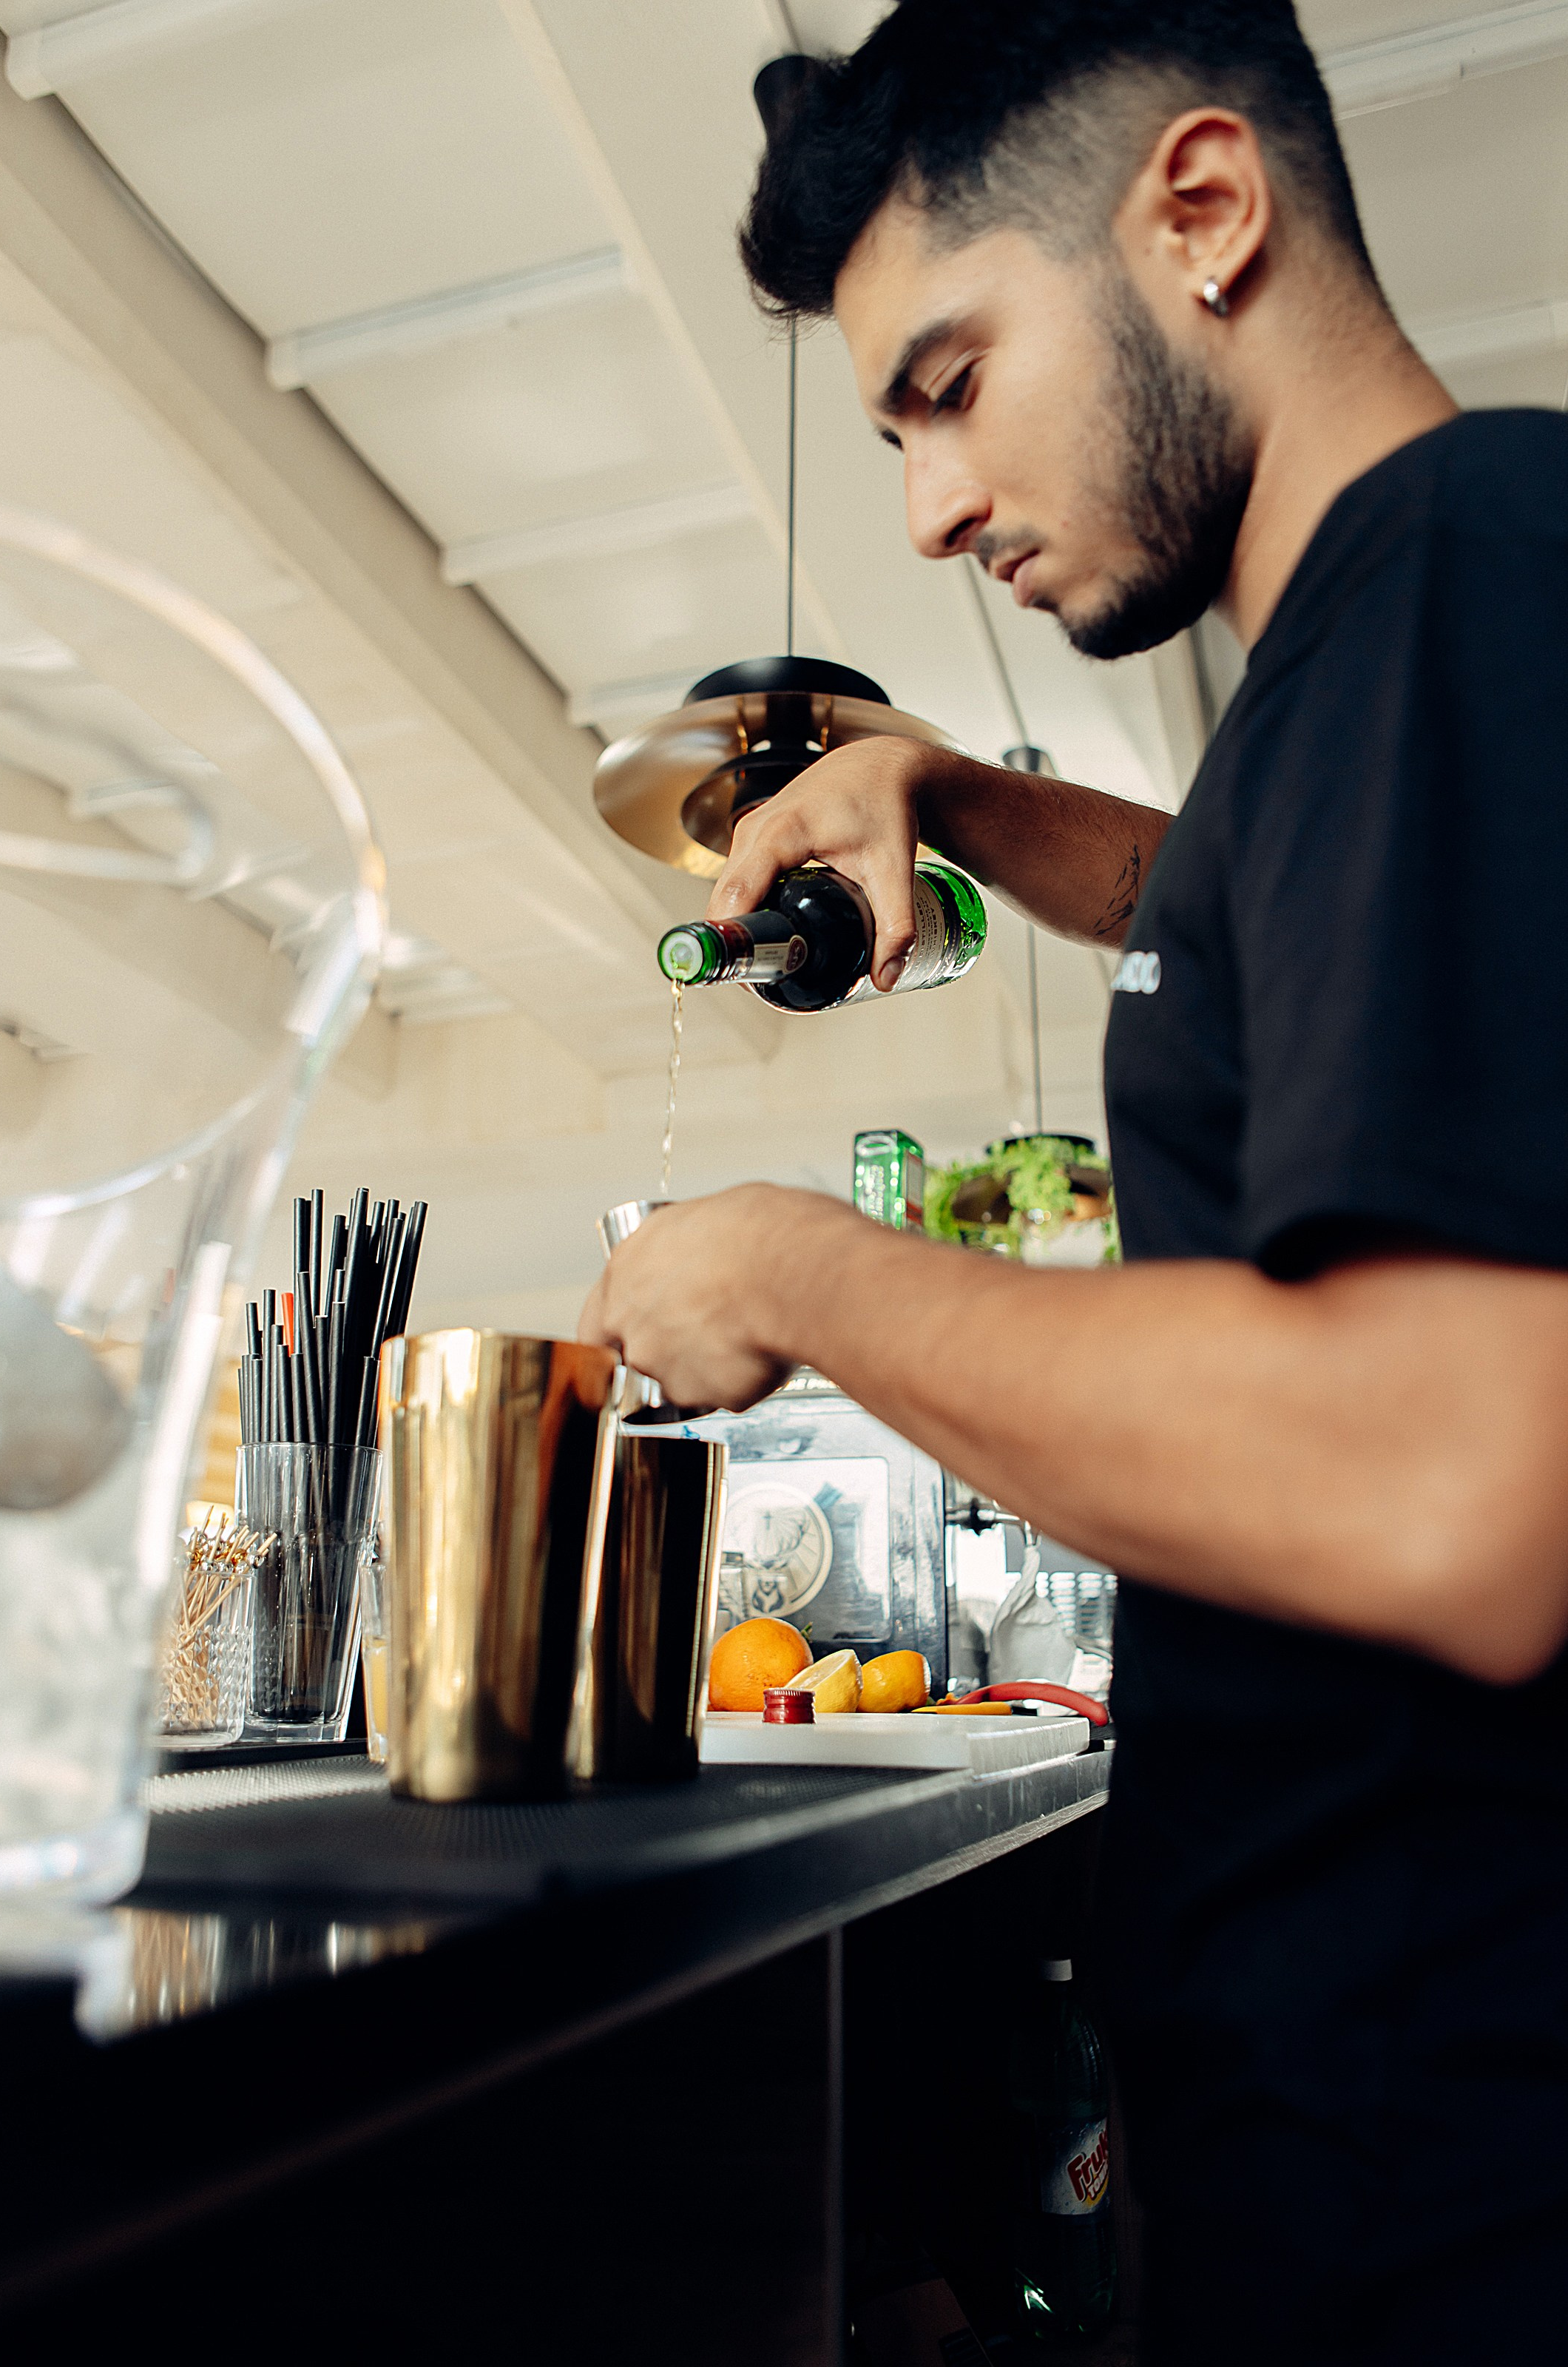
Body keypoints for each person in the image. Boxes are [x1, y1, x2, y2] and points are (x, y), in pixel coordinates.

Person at [580, 4, 1568, 2356]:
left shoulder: (1464, 565)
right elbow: (1242, 913)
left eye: (949, 379)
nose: (925, 504)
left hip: (1446, 2164)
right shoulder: (1375, 653)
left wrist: (806, 1273)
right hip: (1347, 2109)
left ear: (1201, 212)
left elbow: (1455, 1478)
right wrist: (971, 795)